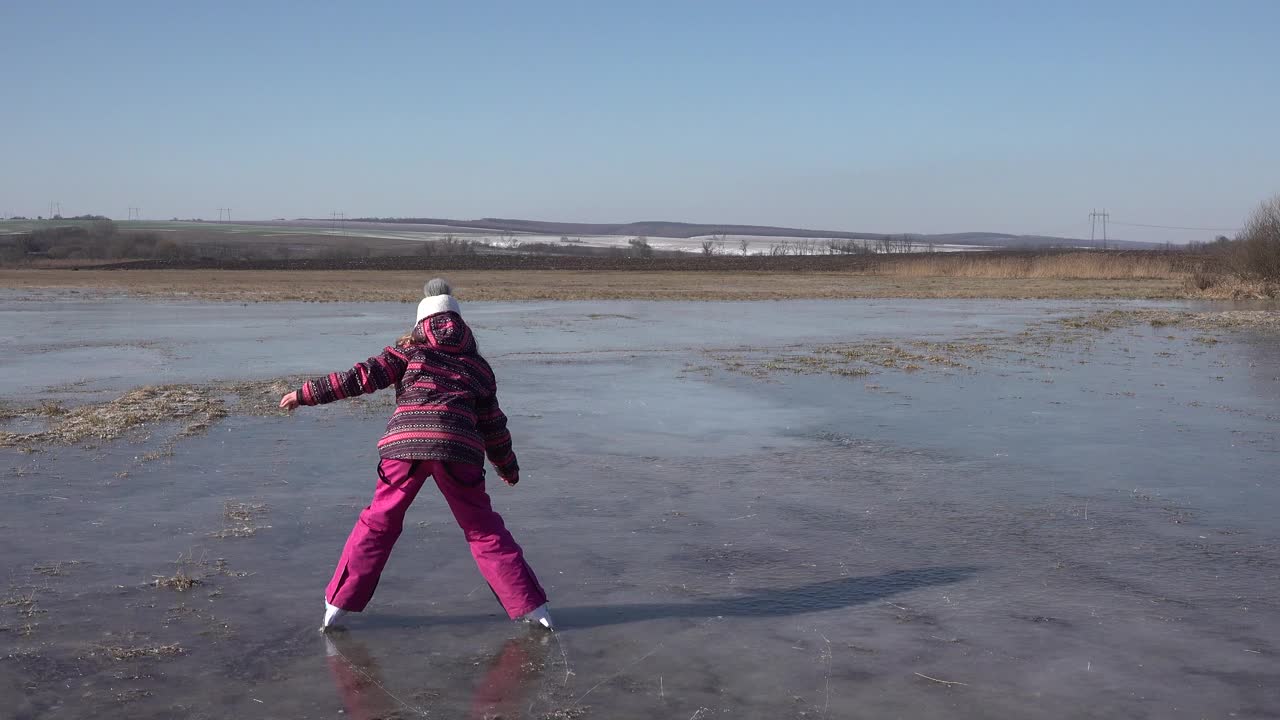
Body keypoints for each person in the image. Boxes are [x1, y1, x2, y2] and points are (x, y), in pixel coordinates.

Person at [280, 278, 552, 631]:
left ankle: (337, 603)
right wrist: (507, 467)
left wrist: (306, 394)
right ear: (463, 326)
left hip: (405, 447)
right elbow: (493, 425)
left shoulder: (408, 352)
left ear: (420, 324)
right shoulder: (478, 367)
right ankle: (533, 607)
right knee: (483, 529)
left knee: (378, 522)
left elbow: (358, 377)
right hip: (459, 451)